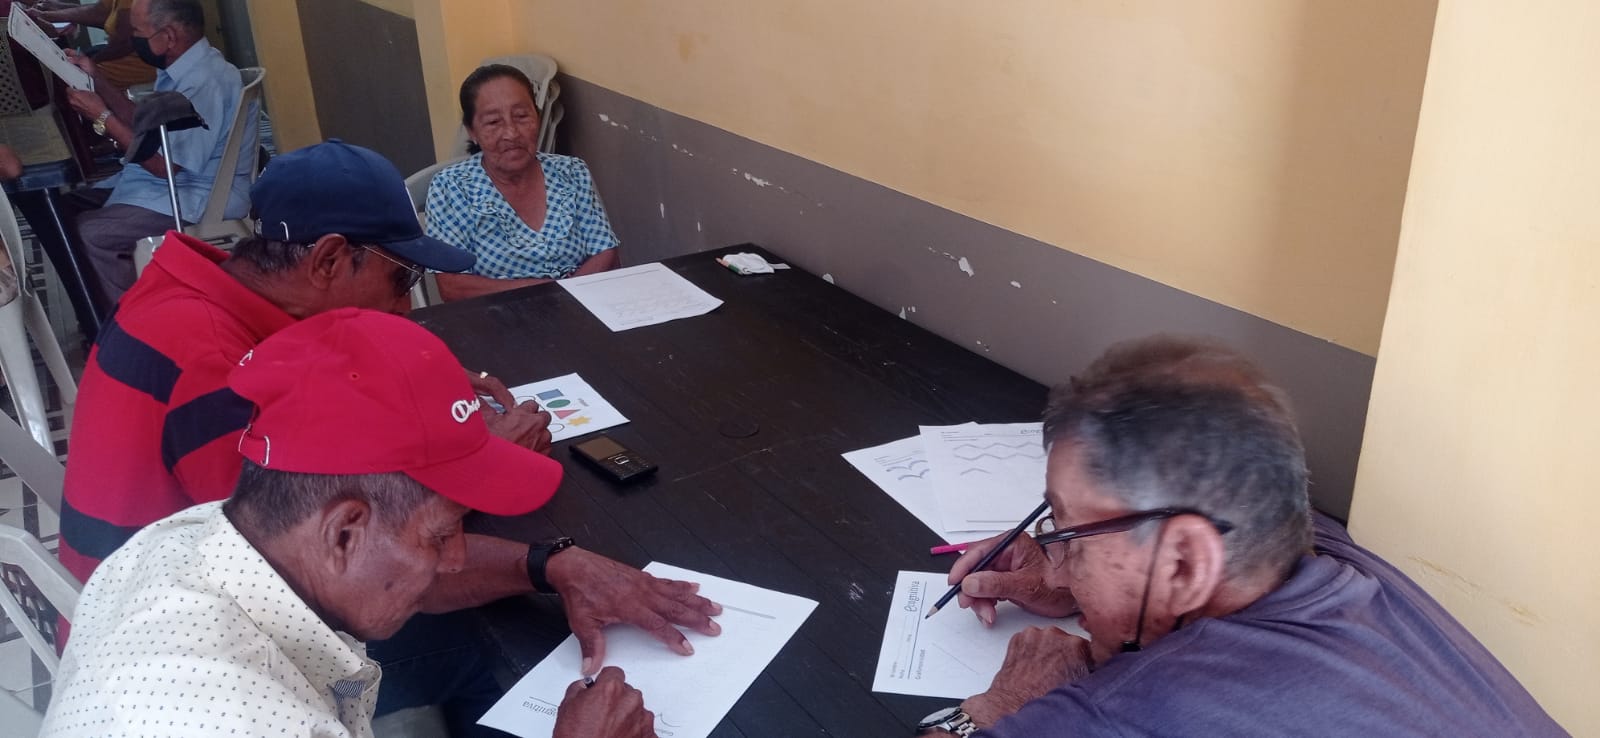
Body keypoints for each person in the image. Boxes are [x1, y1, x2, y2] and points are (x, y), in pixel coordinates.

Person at [58, 139, 715, 736]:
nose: (405, 306)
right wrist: (515, 525)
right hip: (227, 638)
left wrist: (403, 389)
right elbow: (345, 555)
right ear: (328, 259)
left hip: (177, 605)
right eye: (402, 280)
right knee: (497, 645)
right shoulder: (212, 365)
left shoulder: (196, 293)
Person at [41, 308, 664, 738]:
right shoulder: (237, 720)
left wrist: (548, 564)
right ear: (343, 533)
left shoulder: (200, 535)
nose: (453, 558)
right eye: (440, 536)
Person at [920, 337, 1563, 737]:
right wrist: (1089, 575)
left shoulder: (1141, 708)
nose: (1057, 565)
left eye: (1070, 536)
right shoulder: (1326, 551)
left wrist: (997, 706)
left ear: (1184, 562)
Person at [58, 0, 256, 314]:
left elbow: (164, 166)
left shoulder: (204, 81)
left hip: (195, 194)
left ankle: (131, 326)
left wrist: (102, 118)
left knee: (92, 235)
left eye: (138, 32)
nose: (132, 39)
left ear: (169, 36)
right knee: (61, 209)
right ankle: (98, 312)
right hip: (163, 184)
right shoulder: (183, 66)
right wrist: (96, 79)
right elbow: (144, 123)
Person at [425, 64, 619, 301]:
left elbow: (606, 252)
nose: (511, 133)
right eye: (493, 122)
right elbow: (453, 287)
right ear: (472, 131)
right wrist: (547, 293)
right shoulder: (450, 188)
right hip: (494, 315)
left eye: (521, 116)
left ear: (538, 117)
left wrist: (570, 298)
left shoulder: (571, 172)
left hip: (580, 306)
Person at [25, 0, 158, 89]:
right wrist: (50, 14)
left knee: (48, 81)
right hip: (111, 52)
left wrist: (90, 63)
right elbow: (100, 12)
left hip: (123, 65)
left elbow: (125, 40)